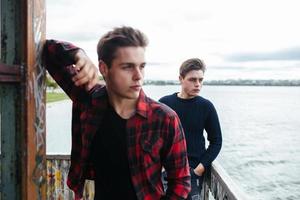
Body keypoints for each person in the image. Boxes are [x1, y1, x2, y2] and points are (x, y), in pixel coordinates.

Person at [43, 26, 191, 200]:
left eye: (141, 66)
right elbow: (47, 51)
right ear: (104, 68)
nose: (138, 76)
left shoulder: (164, 118)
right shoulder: (88, 101)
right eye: (127, 67)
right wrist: (77, 54)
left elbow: (181, 183)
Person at [159, 58, 222, 200]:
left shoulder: (206, 107)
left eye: (201, 80)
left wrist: (200, 168)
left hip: (192, 174)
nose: (198, 84)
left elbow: (216, 141)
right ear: (181, 79)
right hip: (166, 173)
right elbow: (154, 140)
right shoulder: (164, 104)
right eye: (193, 79)